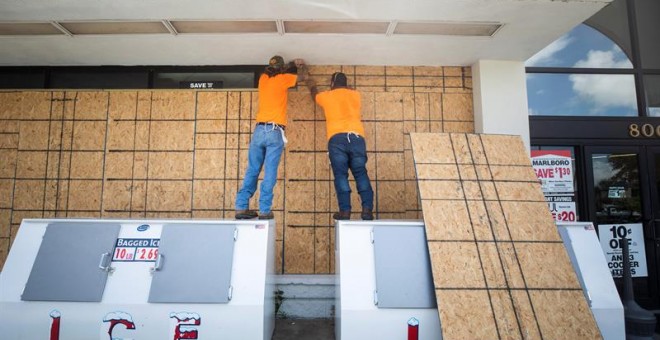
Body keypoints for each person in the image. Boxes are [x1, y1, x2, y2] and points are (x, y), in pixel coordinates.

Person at [235, 56, 307, 220]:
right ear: (281, 69)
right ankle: (265, 210)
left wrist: (287, 66)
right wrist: (300, 66)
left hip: (259, 130)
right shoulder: (284, 79)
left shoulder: (263, 79)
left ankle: (240, 206)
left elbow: (276, 71)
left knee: (252, 169)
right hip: (275, 131)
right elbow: (303, 78)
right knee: (269, 172)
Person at [307, 72, 374, 220]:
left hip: (337, 139)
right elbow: (348, 90)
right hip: (357, 138)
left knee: (341, 175)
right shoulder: (355, 95)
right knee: (361, 173)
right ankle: (367, 210)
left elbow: (314, 95)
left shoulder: (327, 96)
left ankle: (345, 211)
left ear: (332, 84)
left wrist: (311, 84)